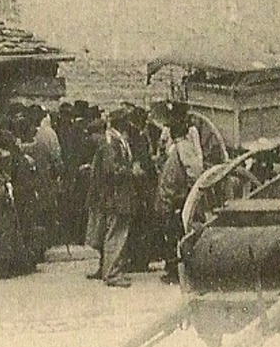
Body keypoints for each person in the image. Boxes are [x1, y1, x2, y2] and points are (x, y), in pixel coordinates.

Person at [87, 110, 143, 287]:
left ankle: (114, 270)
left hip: (117, 195)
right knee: (115, 234)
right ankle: (112, 273)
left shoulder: (115, 140)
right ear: (123, 123)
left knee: (117, 233)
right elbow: (111, 171)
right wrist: (131, 171)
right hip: (116, 195)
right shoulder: (111, 142)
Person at [155, 103, 205, 283]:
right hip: (172, 197)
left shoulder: (183, 147)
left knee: (177, 234)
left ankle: (179, 270)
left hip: (178, 198)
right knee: (172, 233)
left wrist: (190, 194)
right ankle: (173, 268)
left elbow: (194, 171)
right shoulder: (178, 147)